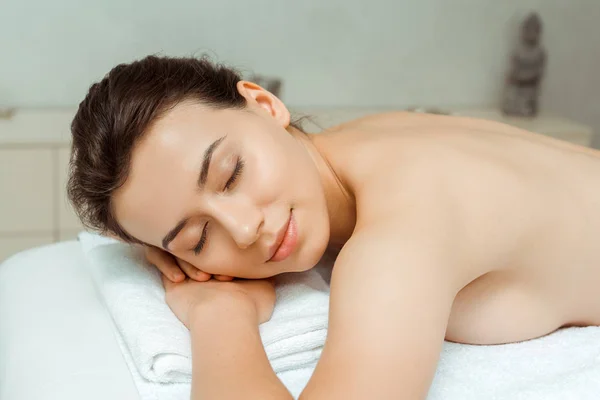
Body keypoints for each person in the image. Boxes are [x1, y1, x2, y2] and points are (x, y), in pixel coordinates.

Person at [67, 55, 600, 399]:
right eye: (198, 238)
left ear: (263, 104)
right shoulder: (364, 140)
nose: (244, 229)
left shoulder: (399, 241)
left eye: (231, 174)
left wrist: (219, 318)